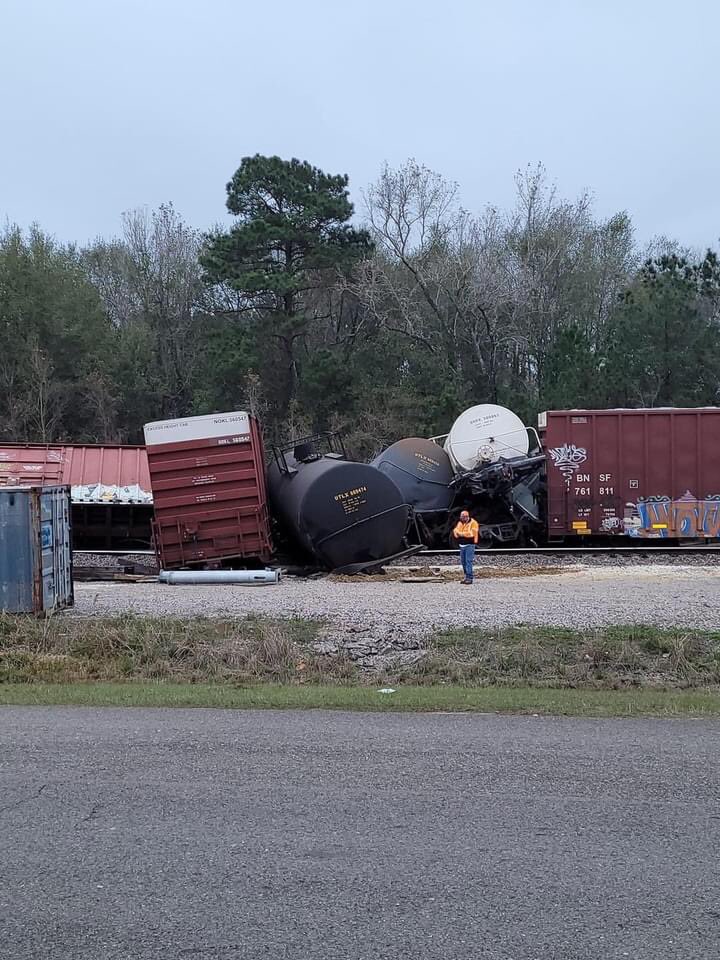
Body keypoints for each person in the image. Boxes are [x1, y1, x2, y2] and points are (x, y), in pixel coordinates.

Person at [452, 510, 479, 584]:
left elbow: (471, 534)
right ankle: (466, 576)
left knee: (468, 561)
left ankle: (469, 578)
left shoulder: (473, 523)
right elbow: (455, 531)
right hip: (462, 545)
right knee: (463, 562)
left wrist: (461, 534)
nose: (461, 518)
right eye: (461, 517)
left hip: (470, 545)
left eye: (463, 517)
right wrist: (458, 533)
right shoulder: (460, 523)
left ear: (466, 517)